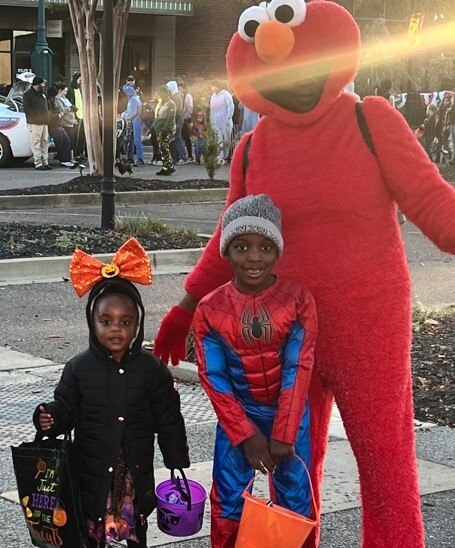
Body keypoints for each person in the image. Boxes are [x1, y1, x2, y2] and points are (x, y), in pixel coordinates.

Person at [153, 2, 455, 546]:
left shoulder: (371, 120)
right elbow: (229, 240)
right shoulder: (250, 150)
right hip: (285, 333)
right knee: (294, 466)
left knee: (386, 463)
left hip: (370, 325)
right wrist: (186, 305)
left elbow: (434, 204)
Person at [33, 237, 190, 548]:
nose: (115, 329)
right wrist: (51, 417)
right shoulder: (79, 368)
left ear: (138, 325)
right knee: (90, 530)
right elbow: (67, 406)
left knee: (135, 530)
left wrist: (176, 459)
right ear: (92, 323)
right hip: (91, 472)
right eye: (106, 321)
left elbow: (168, 417)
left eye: (125, 322)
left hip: (134, 473)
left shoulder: (152, 369)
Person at [193, 194, 317, 547]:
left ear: (277, 251)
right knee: (228, 498)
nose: (254, 257)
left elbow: (299, 365)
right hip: (239, 416)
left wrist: (284, 432)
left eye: (265, 246)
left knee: (295, 498)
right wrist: (246, 435)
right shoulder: (210, 309)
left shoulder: (298, 300)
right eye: (242, 246)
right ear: (226, 251)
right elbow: (214, 377)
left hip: (290, 418)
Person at [22, 76, 52, 171]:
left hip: (44, 122)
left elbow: (48, 105)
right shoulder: (28, 95)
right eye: (42, 84)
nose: (44, 85)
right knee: (35, 142)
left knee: (44, 142)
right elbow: (27, 108)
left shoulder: (43, 94)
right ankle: (38, 163)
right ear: (37, 84)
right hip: (35, 123)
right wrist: (35, 116)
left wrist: (49, 115)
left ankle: (45, 162)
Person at [152, 85, 177, 176]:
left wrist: (165, 129)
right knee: (162, 148)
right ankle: (165, 167)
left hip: (167, 130)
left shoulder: (171, 104)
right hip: (159, 129)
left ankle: (169, 167)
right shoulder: (161, 103)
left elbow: (170, 118)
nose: (158, 96)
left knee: (164, 147)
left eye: (160, 94)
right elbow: (157, 116)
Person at [209, 80, 234, 165]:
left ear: (218, 87)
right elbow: (212, 109)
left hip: (225, 121)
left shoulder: (225, 95)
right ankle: (220, 157)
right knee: (218, 139)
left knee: (226, 139)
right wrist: (211, 119)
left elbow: (231, 105)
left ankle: (225, 156)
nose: (212, 88)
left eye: (213, 86)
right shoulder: (213, 96)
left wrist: (228, 117)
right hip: (216, 121)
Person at [122, 83, 145, 167]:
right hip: (137, 121)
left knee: (136, 141)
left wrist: (127, 118)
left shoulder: (133, 100)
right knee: (133, 141)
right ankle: (132, 158)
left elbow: (134, 113)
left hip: (136, 122)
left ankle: (140, 159)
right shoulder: (136, 99)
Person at [166, 80, 188, 165]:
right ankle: (175, 157)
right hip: (173, 120)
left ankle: (183, 157)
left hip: (177, 120)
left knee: (177, 138)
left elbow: (178, 110)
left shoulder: (177, 96)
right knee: (172, 139)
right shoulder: (173, 96)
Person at [54, 83, 78, 160]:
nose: (66, 93)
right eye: (64, 91)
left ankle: (71, 158)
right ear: (60, 90)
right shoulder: (57, 99)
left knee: (71, 141)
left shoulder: (65, 99)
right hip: (65, 123)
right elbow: (61, 110)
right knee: (67, 142)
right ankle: (67, 158)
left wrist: (74, 119)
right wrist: (70, 108)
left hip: (71, 122)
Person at [67, 71, 86, 161]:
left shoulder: (79, 90)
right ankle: (74, 154)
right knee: (75, 137)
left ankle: (79, 153)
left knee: (80, 136)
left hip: (81, 115)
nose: (81, 82)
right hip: (75, 116)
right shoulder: (71, 90)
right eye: (80, 80)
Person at [180, 81, 194, 162]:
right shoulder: (181, 96)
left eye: (181, 88)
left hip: (186, 119)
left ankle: (190, 155)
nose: (180, 90)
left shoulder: (187, 96)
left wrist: (184, 117)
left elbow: (190, 109)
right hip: (182, 118)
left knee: (186, 137)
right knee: (183, 137)